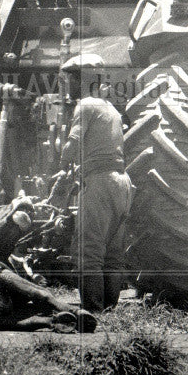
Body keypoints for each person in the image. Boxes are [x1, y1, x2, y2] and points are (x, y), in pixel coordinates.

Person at [59, 54, 134, 312]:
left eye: (72, 78)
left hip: (100, 183)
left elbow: (73, 145)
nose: (68, 84)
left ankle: (92, 310)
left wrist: (59, 162)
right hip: (122, 184)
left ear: (85, 79)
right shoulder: (111, 109)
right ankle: (110, 309)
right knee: (113, 254)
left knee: (88, 251)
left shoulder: (86, 105)